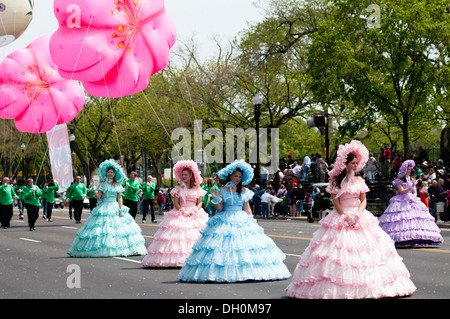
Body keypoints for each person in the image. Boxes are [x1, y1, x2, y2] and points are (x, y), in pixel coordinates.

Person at [286, 140, 416, 299]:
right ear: (345, 164)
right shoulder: (336, 181)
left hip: (359, 215)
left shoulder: (360, 181)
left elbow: (363, 200)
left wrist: (357, 214)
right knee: (337, 254)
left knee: (367, 253)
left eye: (357, 163)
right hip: (341, 215)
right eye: (353, 163)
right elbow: (335, 201)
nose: (356, 166)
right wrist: (345, 215)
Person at [178, 159, 291, 282]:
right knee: (222, 248)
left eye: (239, 177)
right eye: (235, 176)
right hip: (225, 218)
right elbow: (220, 208)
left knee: (245, 248)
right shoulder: (222, 190)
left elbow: (247, 207)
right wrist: (215, 197)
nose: (237, 178)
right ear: (230, 176)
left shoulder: (243, 191)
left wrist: (251, 221)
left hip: (241, 218)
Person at [67, 159, 147, 257]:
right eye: (108, 172)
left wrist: (121, 208)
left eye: (111, 172)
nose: (110, 174)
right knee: (104, 229)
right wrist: (93, 188)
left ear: (114, 173)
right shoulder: (102, 184)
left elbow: (120, 197)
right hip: (104, 206)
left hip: (115, 206)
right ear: (106, 173)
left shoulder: (117, 184)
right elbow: (98, 196)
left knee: (118, 229)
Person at [142, 160, 208, 268]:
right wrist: (181, 210)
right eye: (182, 174)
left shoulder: (197, 188)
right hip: (181, 211)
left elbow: (200, 202)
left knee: (195, 235)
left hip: (194, 212)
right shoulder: (178, 188)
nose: (184, 176)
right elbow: (176, 202)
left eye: (186, 174)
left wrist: (196, 210)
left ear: (191, 175)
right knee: (178, 237)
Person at [378, 160, 443, 247]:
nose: (409, 171)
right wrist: (409, 186)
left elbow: (415, 191)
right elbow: (402, 191)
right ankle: (399, 239)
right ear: (404, 170)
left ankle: (413, 239)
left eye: (410, 169)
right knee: (401, 219)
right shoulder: (399, 181)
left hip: (411, 199)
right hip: (401, 200)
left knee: (414, 220)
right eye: (408, 169)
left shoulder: (412, 180)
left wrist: (413, 196)